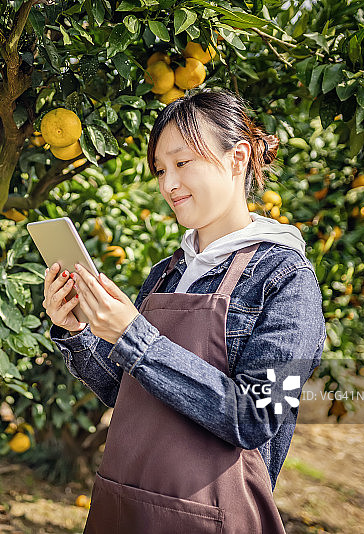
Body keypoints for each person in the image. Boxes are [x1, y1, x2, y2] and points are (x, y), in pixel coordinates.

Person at [43, 87, 326, 534]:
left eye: (183, 162)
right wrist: (78, 330)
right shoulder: (167, 272)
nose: (168, 184)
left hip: (213, 518)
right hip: (127, 505)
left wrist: (134, 336)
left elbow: (258, 416)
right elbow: (129, 394)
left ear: (238, 157)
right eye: (160, 170)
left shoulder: (287, 279)